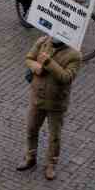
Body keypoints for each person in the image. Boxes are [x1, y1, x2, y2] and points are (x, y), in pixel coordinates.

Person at [16, 35, 82, 181]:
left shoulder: (75, 55)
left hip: (56, 103)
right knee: (31, 129)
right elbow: (28, 58)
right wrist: (36, 67)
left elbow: (67, 77)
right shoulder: (42, 41)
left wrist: (48, 62)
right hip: (37, 98)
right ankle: (30, 158)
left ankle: (51, 164)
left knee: (54, 136)